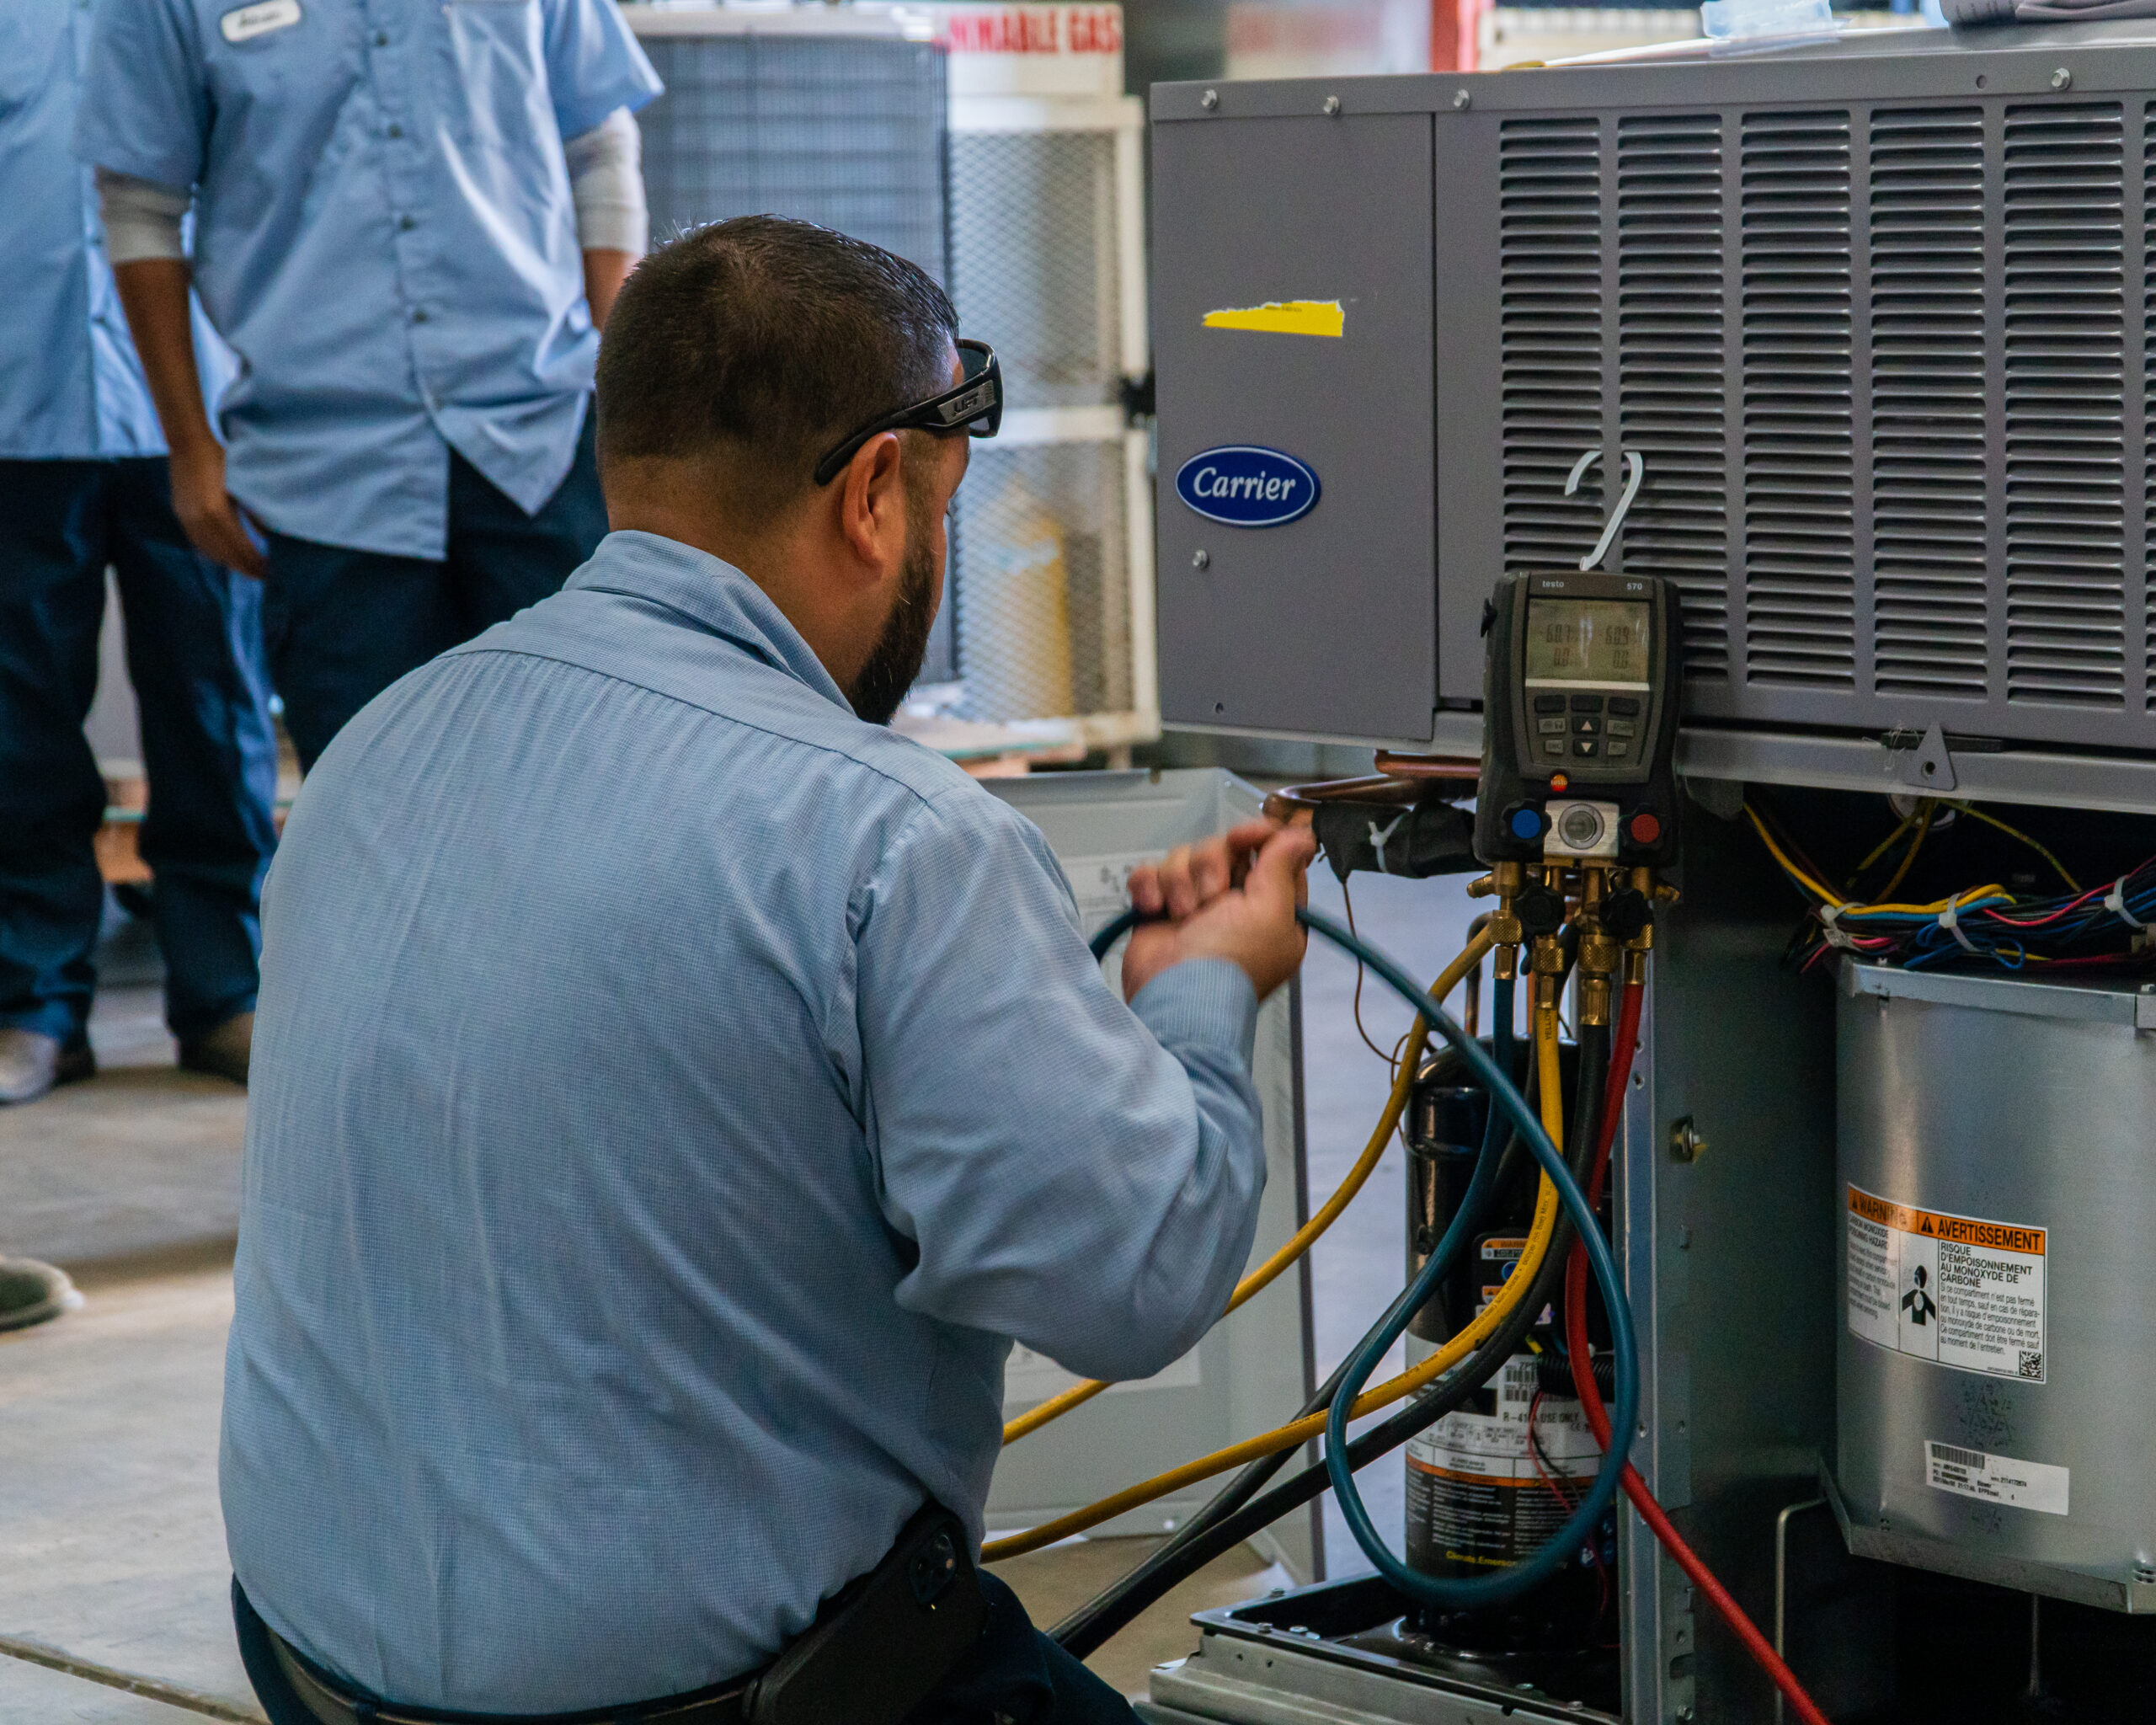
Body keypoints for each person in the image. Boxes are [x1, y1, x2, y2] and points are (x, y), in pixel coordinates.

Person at [219, 216, 1317, 1725]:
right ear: (876, 494)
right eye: (940, 506)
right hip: (712, 1701)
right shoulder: (894, 835)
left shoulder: (368, 751)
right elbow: (1130, 1284)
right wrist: (1202, 991)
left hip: (314, 1669)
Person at [74, 0, 664, 770]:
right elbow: (141, 209)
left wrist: (619, 386)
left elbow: (599, 144)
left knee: (591, 784)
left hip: (544, 443)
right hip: (328, 480)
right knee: (378, 824)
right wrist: (190, 446)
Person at [0, 0, 277, 1105]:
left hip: (200, 401)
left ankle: (228, 990)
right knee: (17, 723)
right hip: (16, 401)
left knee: (215, 703)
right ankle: (34, 1001)